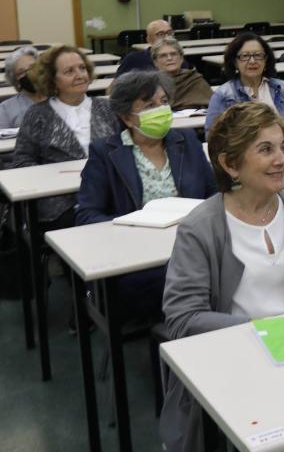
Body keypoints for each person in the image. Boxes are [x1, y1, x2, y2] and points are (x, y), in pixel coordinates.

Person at [160, 102, 284, 452]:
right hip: (237, 358)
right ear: (230, 163)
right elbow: (183, 318)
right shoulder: (200, 227)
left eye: (283, 147)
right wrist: (264, 327)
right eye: (266, 150)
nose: (281, 159)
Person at [75, 70, 216, 317]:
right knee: (177, 281)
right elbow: (87, 215)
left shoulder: (186, 140)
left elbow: (214, 192)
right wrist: (134, 226)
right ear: (128, 118)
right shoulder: (104, 153)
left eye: (164, 102)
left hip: (193, 242)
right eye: (150, 105)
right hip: (138, 254)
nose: (161, 110)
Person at [14, 45, 117, 226]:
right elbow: (22, 161)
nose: (79, 75)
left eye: (82, 68)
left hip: (109, 190)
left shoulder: (107, 108)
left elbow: (126, 149)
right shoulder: (37, 114)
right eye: (69, 71)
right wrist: (53, 177)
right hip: (61, 200)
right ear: (52, 80)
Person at [206, 33, 284, 188]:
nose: (252, 61)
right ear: (235, 62)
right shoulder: (223, 96)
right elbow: (213, 140)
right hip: (247, 166)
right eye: (245, 56)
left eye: (258, 55)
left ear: (266, 61)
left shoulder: (283, 89)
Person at [150, 36, 212, 110]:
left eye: (173, 54)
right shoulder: (150, 84)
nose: (169, 58)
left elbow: (212, 106)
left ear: (181, 58)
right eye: (163, 55)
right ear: (155, 62)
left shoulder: (194, 79)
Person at [0, 45, 42, 129]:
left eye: (32, 68)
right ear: (15, 80)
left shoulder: (60, 98)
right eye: (22, 72)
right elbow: (0, 139)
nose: (29, 74)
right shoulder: (6, 108)